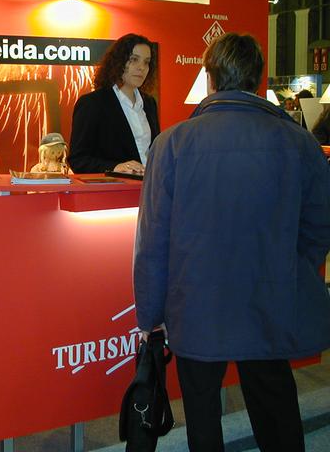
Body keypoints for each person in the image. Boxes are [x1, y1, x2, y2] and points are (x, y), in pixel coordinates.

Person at [133, 32, 330, 452]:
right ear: (257, 78)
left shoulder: (172, 143)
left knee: (202, 414)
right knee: (276, 406)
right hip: (269, 298)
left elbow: (153, 241)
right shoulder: (299, 142)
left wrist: (150, 315)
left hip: (196, 305)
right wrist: (287, 267)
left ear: (210, 77)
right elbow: (318, 225)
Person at [68, 33, 160, 174]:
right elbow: (78, 160)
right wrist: (115, 167)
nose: (141, 67)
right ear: (118, 62)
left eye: (146, 62)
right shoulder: (92, 104)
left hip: (150, 184)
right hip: (114, 186)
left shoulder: (149, 103)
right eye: (134, 60)